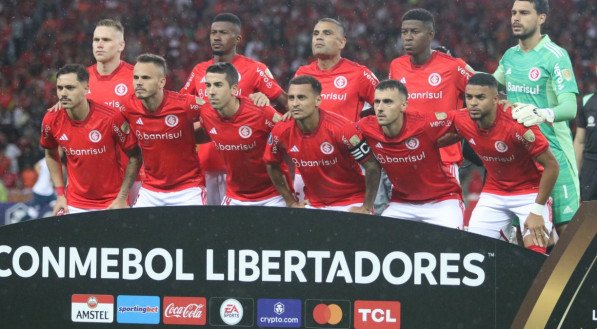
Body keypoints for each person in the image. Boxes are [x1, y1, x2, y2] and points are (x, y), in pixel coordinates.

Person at [181, 13, 287, 205]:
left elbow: (284, 104)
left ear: (238, 38)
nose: (216, 37)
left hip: (249, 166)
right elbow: (181, 107)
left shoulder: (255, 69)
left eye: (223, 33)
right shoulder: (199, 70)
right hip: (208, 163)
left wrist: (266, 102)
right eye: (213, 33)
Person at [494, 0, 579, 235]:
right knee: (526, 233)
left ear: (541, 18)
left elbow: (570, 108)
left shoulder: (555, 56)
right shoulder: (510, 56)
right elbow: (489, 88)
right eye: (513, 13)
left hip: (554, 152)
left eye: (523, 13)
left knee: (567, 231)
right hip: (521, 155)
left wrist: (540, 113)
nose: (515, 19)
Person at [451, 73, 558, 253]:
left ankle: (522, 236)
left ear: (496, 99)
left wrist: (537, 210)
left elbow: (552, 166)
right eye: (469, 97)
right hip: (494, 192)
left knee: (534, 257)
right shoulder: (461, 119)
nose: (473, 103)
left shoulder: (518, 123)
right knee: (475, 253)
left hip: (530, 193)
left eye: (480, 97)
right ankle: (510, 238)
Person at [294, 18, 385, 210]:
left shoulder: (359, 74)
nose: (319, 38)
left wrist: (363, 130)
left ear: (342, 42)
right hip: (309, 169)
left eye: (327, 33)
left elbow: (387, 105)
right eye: (316, 33)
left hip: (346, 170)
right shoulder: (303, 73)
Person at [264, 75, 381, 213]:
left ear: (318, 100)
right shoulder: (281, 130)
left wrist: (366, 207)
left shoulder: (342, 129)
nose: (295, 103)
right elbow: (271, 164)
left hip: (350, 202)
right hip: (314, 204)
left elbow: (372, 166)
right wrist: (290, 202)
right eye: (291, 98)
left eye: (301, 98)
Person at [356, 79, 463, 229]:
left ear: (404, 105)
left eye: (387, 102)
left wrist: (501, 106)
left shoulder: (423, 124)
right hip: (401, 203)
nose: (380, 108)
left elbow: (463, 118)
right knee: (380, 243)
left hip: (442, 201)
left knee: (451, 246)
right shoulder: (366, 127)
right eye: (377, 102)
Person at [40, 64, 142, 215]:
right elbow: (50, 154)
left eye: (70, 87)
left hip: (111, 202)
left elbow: (136, 155)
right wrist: (60, 194)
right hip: (74, 203)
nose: (63, 93)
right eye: (60, 88)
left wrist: (121, 197)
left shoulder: (111, 118)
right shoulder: (51, 119)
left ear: (86, 88)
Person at [389, 8, 475, 182]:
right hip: (405, 158)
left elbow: (486, 95)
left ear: (430, 35)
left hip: (443, 159)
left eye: (414, 32)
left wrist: (463, 130)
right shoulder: (396, 66)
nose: (408, 37)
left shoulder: (453, 67)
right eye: (404, 32)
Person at [120, 54, 206, 207]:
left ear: (161, 82)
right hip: (151, 190)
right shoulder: (128, 106)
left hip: (188, 188)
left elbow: (219, 112)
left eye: (146, 78)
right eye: (136, 77)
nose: (139, 83)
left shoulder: (184, 104)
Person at [201, 62, 287, 206]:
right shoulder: (206, 112)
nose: (211, 91)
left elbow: (292, 138)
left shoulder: (261, 112)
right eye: (208, 85)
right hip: (235, 197)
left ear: (234, 89)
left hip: (272, 196)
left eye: (218, 85)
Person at [573, 93, 597, 201]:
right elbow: (579, 141)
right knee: (589, 211)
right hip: (591, 166)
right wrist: (575, 174)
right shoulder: (586, 100)